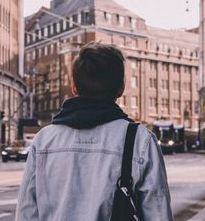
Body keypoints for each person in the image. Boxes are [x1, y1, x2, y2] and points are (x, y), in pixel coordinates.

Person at [16, 43, 173, 221]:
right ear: (121, 88)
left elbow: (26, 213)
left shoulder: (44, 140)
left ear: (74, 87)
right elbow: (158, 213)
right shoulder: (140, 140)